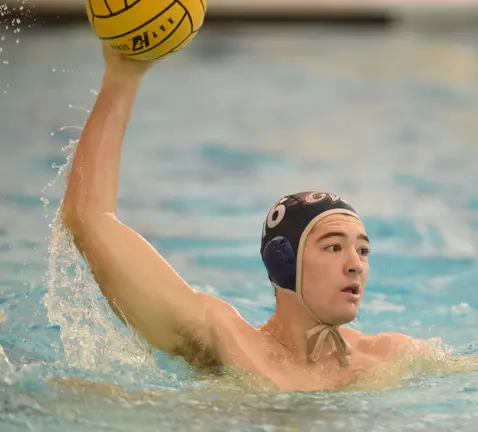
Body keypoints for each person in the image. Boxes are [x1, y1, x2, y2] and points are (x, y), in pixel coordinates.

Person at [60, 44, 451, 392]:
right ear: (284, 262)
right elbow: (89, 220)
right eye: (333, 247)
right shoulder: (229, 344)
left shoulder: (392, 356)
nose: (356, 266)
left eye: (363, 251)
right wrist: (124, 76)